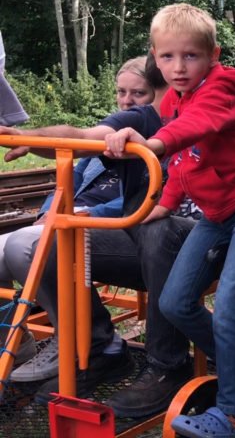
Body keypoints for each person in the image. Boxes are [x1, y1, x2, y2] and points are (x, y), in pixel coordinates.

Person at [104, 4, 235, 437]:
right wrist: (162, 205)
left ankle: (233, 414)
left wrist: (152, 143)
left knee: (230, 306)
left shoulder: (219, 91)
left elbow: (195, 131)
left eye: (191, 56)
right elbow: (188, 165)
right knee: (173, 302)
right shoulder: (175, 100)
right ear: (154, 56)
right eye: (167, 57)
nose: (178, 67)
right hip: (218, 216)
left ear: (212, 56)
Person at [0, 56, 154, 380]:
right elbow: (67, 174)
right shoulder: (109, 139)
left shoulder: (150, 136)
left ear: (156, 94)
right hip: (66, 221)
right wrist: (48, 213)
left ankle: (87, 339)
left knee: (22, 245)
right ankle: (14, 344)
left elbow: (135, 201)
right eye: (121, 92)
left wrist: (77, 215)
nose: (126, 101)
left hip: (100, 227)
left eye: (137, 94)